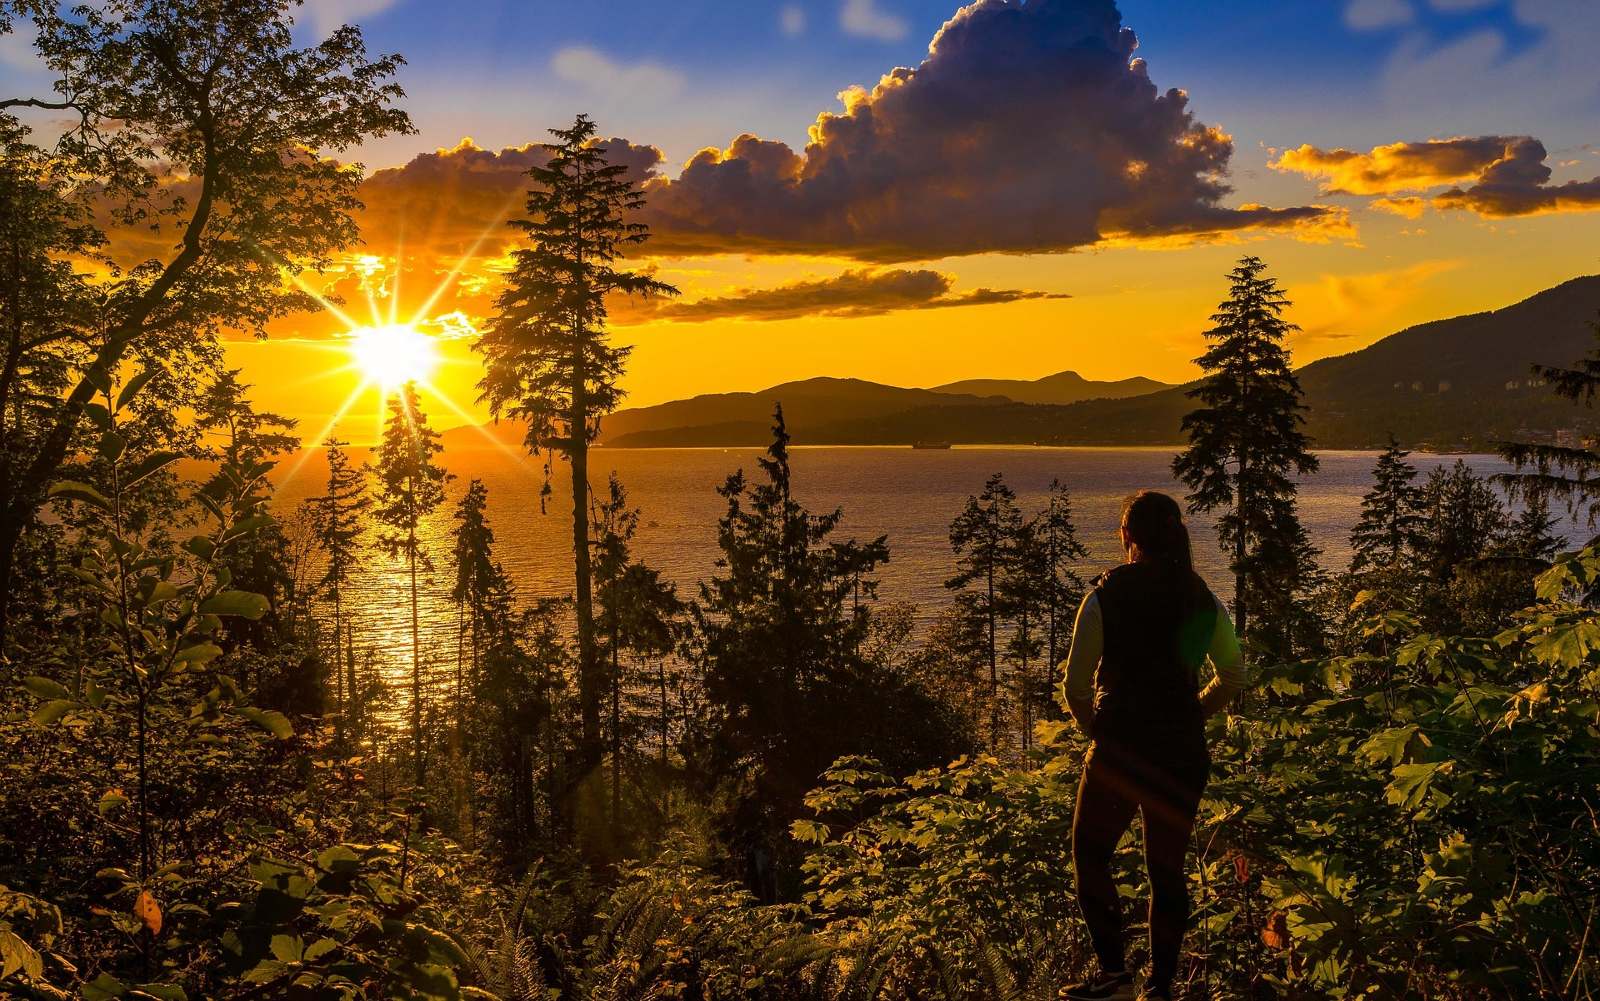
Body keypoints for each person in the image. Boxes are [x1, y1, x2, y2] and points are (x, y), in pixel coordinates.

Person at [1057, 491, 1248, 1001]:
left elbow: (1075, 688)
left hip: (1120, 752)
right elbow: (1232, 674)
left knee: (1091, 853)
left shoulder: (1105, 597)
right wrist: (1194, 714)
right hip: (1182, 754)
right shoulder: (1201, 596)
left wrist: (1093, 729)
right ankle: (1160, 988)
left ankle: (1115, 976)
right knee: (1167, 868)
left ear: (1127, 538)